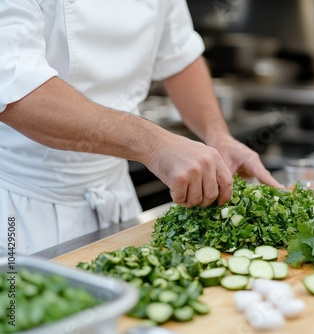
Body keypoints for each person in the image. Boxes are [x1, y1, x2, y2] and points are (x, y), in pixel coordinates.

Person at [0, 0, 281, 255]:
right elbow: (18, 91)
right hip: (24, 209)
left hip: (117, 198)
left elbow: (179, 53)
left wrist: (218, 135)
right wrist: (155, 144)